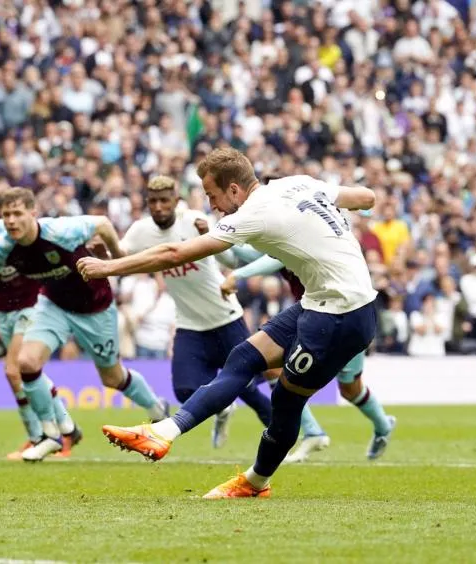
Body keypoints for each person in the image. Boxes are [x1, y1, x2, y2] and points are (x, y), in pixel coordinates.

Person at [78, 148, 378, 498]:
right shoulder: (296, 183)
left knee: (285, 399)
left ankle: (254, 483)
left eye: (213, 195)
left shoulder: (253, 212)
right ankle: (165, 431)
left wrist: (108, 268)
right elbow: (366, 197)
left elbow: (175, 253)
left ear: (234, 190)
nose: (213, 205)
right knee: (242, 358)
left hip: (342, 315)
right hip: (320, 303)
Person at [0, 187, 168, 462]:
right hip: (53, 304)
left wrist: (117, 259)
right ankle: (51, 434)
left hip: (95, 306)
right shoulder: (2, 246)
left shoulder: (62, 231)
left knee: (112, 378)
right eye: (6, 215)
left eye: (17, 214)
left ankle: (157, 409)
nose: (10, 221)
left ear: (33, 214)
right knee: (27, 363)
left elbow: (103, 224)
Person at [121, 175, 273, 449]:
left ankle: (282, 437)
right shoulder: (140, 231)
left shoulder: (193, 221)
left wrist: (207, 235)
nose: (158, 207)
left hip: (225, 317)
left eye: (164, 201)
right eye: (153, 201)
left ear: (176, 202)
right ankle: (223, 410)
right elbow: (120, 252)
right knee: (183, 390)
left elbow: (229, 258)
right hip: (189, 324)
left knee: (248, 388)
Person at [221, 252, 396, 462]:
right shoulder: (276, 234)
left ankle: (383, 425)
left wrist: (237, 273)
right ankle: (313, 432)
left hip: (346, 313)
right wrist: (216, 237)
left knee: (350, 389)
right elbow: (245, 253)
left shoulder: (295, 235)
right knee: (273, 368)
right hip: (312, 316)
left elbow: (274, 258)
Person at [0, 188, 81, 460]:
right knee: (25, 372)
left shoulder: (11, 233)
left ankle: (43, 436)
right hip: (5, 310)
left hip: (34, 305)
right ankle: (65, 428)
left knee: (14, 371)